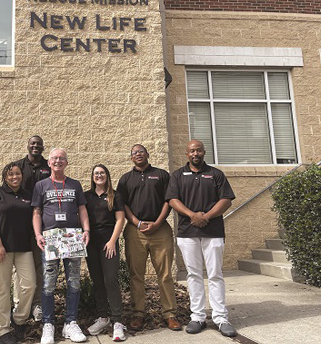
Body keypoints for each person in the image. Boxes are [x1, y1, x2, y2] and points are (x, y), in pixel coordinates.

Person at [166, 139, 237, 337]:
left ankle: (221, 318)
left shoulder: (215, 174)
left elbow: (226, 200)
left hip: (212, 232)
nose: (195, 153)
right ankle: (197, 317)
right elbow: (172, 200)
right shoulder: (178, 175)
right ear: (186, 154)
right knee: (193, 275)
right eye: (191, 151)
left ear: (204, 152)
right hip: (187, 233)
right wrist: (192, 215)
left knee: (215, 274)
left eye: (198, 150)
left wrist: (206, 216)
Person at [117, 144, 181, 332]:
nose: (138, 154)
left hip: (160, 230)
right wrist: (137, 222)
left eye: (141, 151)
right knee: (136, 274)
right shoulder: (126, 179)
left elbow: (168, 200)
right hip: (135, 231)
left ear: (147, 154)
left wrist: (158, 223)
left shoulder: (161, 175)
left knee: (166, 274)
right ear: (131, 158)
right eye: (134, 152)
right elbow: (123, 204)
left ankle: (170, 314)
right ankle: (138, 313)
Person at [32, 148, 90, 344]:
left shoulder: (75, 184)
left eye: (62, 158)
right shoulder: (41, 185)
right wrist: (38, 234)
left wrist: (87, 230)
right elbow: (37, 212)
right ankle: (48, 324)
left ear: (66, 163)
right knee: (48, 283)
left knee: (73, 282)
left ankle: (70, 323)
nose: (58, 161)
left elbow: (82, 209)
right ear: (48, 162)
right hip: (51, 240)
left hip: (72, 239)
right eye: (55, 158)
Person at [0, 162, 37, 344]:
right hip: (2, 249)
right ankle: (2, 330)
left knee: (29, 285)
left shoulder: (27, 195)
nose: (14, 177)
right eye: (10, 175)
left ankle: (19, 319)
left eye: (17, 174)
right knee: (3, 288)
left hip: (24, 248)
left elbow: (35, 217)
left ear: (21, 176)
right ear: (5, 177)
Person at [85, 164, 127, 341]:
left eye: (102, 173)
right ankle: (103, 317)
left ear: (107, 176)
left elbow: (120, 219)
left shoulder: (115, 195)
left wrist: (112, 241)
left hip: (108, 244)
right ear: (92, 177)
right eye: (96, 173)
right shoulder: (87, 196)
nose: (99, 175)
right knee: (97, 281)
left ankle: (117, 321)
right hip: (91, 245)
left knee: (110, 279)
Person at [13, 135, 51, 321]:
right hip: (20, 223)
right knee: (18, 267)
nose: (35, 146)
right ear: (28, 146)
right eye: (32, 143)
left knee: (39, 265)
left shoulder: (48, 166)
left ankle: (37, 304)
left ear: (43, 147)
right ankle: (19, 304)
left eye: (38, 144)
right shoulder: (17, 166)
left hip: (42, 224)